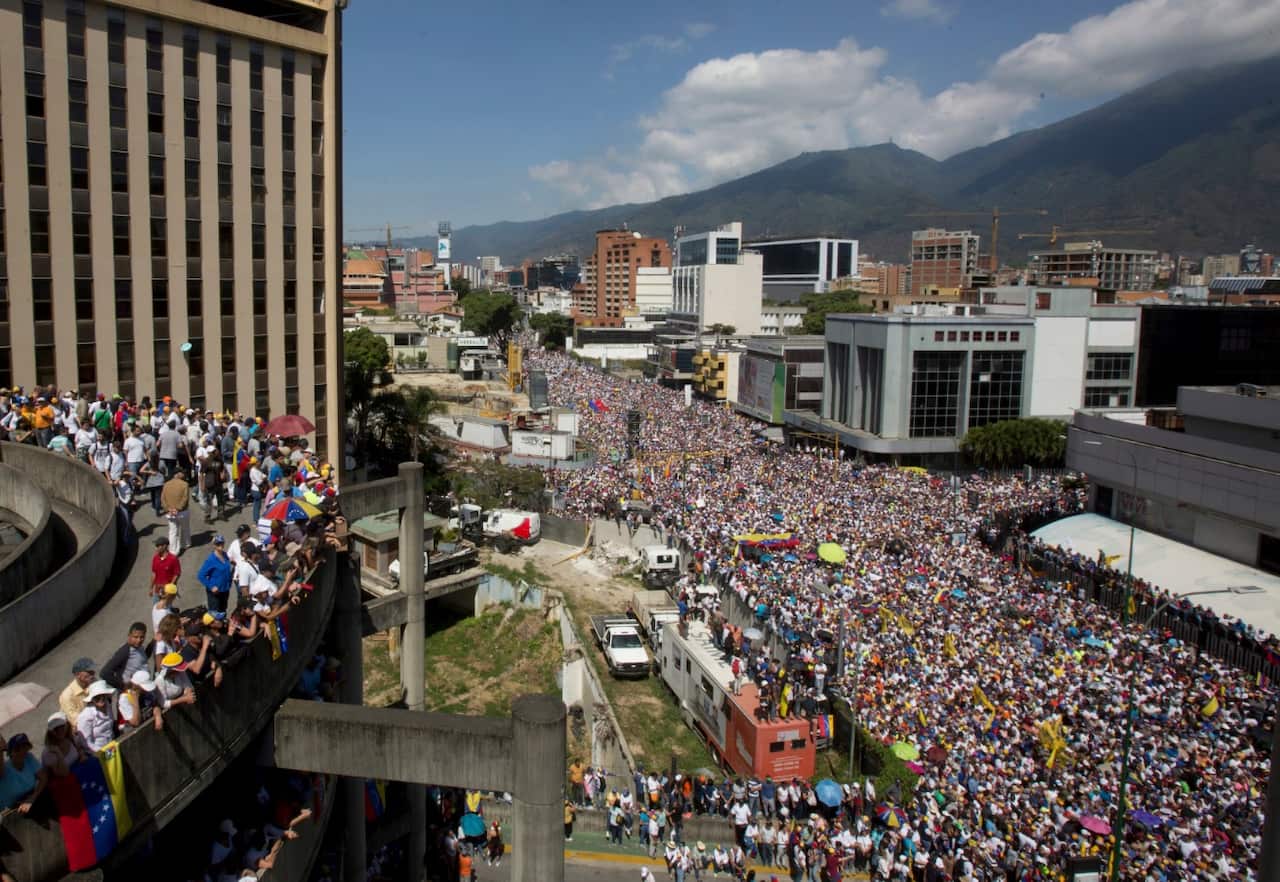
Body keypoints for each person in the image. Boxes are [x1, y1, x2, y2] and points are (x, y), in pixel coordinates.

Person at [0, 733, 47, 812]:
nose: (22, 752)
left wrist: (33, 797)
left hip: (30, 800)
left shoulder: (29, 757)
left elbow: (44, 778)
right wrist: (0, 750)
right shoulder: (4, 769)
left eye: (25, 747)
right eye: (17, 749)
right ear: (10, 753)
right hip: (11, 810)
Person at [99, 622, 149, 691]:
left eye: (142, 637)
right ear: (129, 636)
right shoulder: (125, 651)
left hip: (142, 689)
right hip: (131, 693)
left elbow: (142, 660)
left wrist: (153, 642)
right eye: (135, 637)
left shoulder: (139, 647)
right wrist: (123, 686)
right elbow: (104, 673)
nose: (139, 640)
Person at [42, 712, 91, 778]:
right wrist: (58, 753)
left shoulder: (72, 738)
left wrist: (82, 755)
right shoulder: (48, 752)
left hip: (80, 777)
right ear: (51, 732)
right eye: (56, 729)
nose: (60, 731)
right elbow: (63, 774)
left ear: (67, 725)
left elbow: (79, 749)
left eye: (62, 726)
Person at [76, 681, 118, 751]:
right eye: (97, 697)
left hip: (112, 747)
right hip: (97, 753)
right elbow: (86, 742)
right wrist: (103, 751)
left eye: (103, 695)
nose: (101, 699)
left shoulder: (108, 705)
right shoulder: (86, 715)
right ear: (92, 699)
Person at [197, 535, 234, 614]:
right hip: (215, 593)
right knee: (214, 613)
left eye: (221, 543)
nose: (220, 546)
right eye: (218, 544)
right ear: (214, 545)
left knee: (223, 611)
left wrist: (229, 582)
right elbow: (201, 575)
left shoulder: (225, 555)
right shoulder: (211, 559)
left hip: (225, 590)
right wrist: (211, 586)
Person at [58, 657, 96, 728]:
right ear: (78, 675)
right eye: (89, 672)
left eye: (93, 671)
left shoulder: (93, 682)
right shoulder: (67, 696)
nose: (93, 674)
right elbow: (75, 721)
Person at [160, 469, 192, 554]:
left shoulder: (166, 484)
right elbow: (185, 499)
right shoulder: (185, 484)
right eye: (182, 473)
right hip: (182, 512)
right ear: (177, 474)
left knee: (173, 531)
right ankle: (185, 544)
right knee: (185, 528)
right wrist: (177, 508)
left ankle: (173, 550)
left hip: (170, 513)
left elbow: (163, 499)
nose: (183, 475)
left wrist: (168, 509)